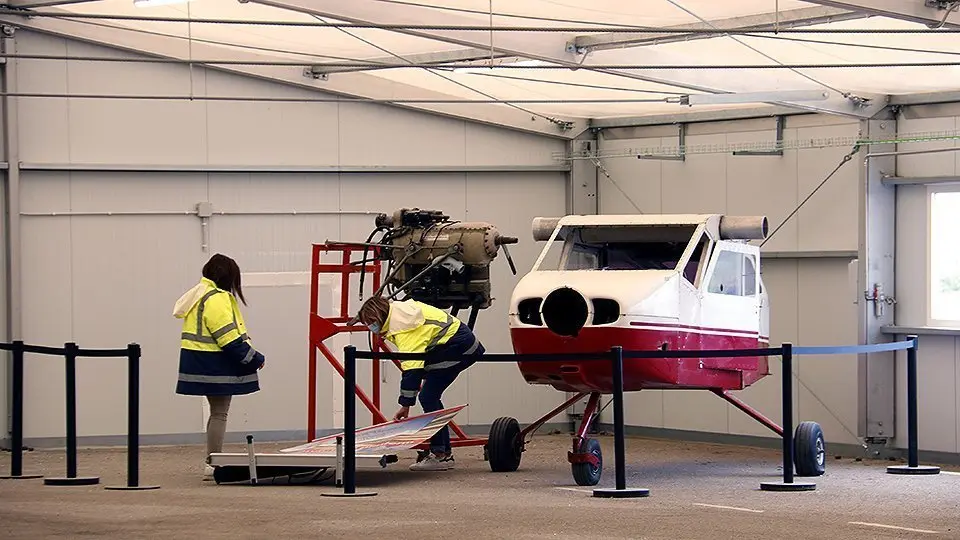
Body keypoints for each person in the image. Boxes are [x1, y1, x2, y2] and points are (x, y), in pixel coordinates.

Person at [356, 296, 484, 471]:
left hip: (458, 347)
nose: (370, 327)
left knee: (428, 397)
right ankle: (442, 451)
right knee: (429, 396)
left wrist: (405, 405)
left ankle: (441, 455)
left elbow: (412, 368)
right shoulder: (399, 313)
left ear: (379, 316)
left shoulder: (403, 327)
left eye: (370, 322)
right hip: (460, 344)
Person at [173, 253, 265, 481]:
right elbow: (228, 338)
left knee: (216, 413)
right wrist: (254, 358)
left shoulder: (199, 295)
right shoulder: (217, 298)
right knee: (220, 413)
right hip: (214, 364)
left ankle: (212, 460)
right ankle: (213, 463)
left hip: (199, 362)